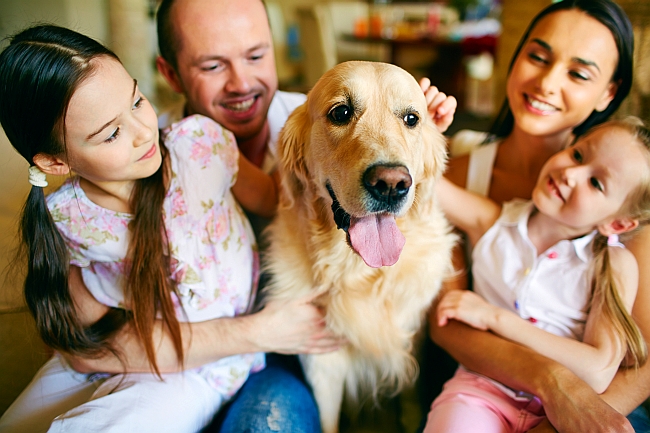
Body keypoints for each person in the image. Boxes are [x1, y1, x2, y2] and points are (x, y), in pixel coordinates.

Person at [0, 24, 342, 433]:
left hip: (205, 367)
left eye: (137, 100)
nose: (144, 131)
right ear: (56, 163)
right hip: (127, 354)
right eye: (111, 133)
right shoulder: (68, 220)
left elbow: (276, 200)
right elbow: (89, 349)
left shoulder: (200, 145)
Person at [153, 0, 458, 430]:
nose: (242, 82)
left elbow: (429, 175)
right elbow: (90, 337)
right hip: (217, 363)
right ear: (171, 74)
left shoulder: (304, 112)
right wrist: (258, 333)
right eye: (212, 65)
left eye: (256, 56)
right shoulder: (148, 159)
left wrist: (418, 134)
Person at [425, 1, 650, 432]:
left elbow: (638, 360)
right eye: (538, 57)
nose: (547, 82)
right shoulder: (471, 187)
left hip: (603, 405)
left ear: (608, 93)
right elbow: (445, 322)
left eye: (578, 73)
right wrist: (421, 131)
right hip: (482, 389)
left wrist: (560, 416)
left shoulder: (629, 192)